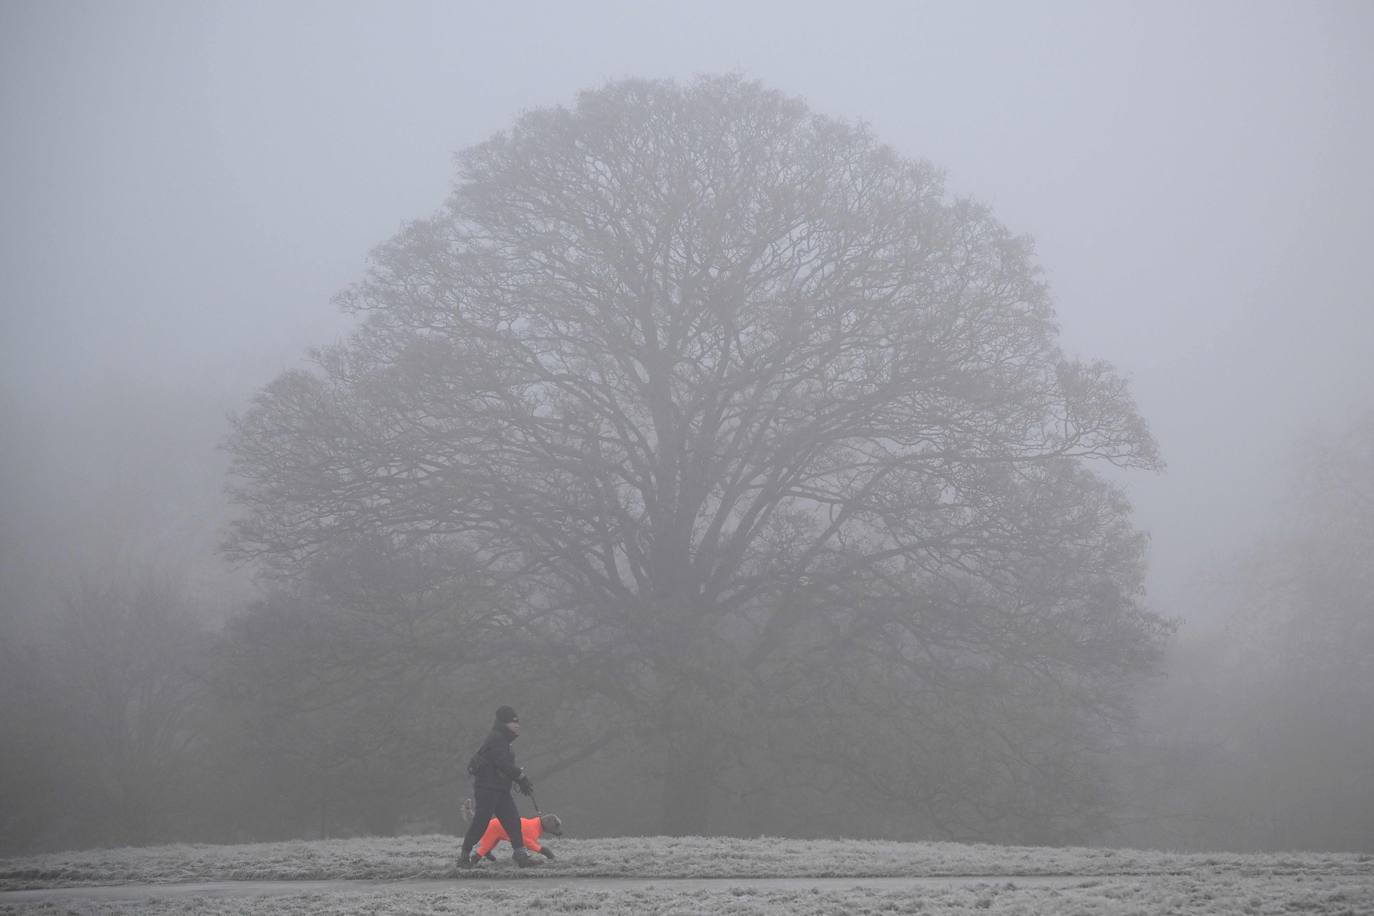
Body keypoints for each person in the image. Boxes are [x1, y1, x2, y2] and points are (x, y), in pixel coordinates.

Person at [458, 705, 538, 868]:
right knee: (481, 822)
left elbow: (503, 765)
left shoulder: (503, 740)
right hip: (487, 788)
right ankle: (464, 856)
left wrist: (519, 779)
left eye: (518, 722)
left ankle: (520, 855)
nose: (517, 725)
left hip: (500, 789)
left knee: (513, 821)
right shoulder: (497, 739)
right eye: (513, 722)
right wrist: (521, 777)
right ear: (504, 724)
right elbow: (502, 763)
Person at [465, 806, 563, 862]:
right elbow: (527, 842)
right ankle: (473, 860)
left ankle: (489, 853)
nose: (558, 831)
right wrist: (544, 851)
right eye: (556, 827)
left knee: (491, 843)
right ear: (548, 824)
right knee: (485, 847)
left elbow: (522, 843)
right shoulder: (533, 828)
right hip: (494, 827)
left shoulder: (534, 827)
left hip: (497, 826)